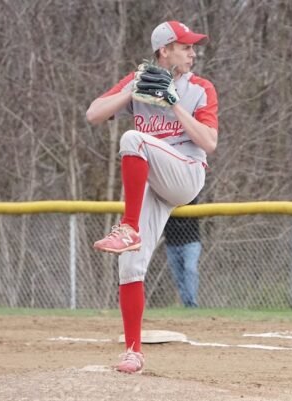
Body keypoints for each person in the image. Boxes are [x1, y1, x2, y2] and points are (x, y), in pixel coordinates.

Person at [85, 20, 218, 374]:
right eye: (185, 46)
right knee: (129, 264)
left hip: (187, 173)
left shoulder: (200, 88)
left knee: (133, 139)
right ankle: (133, 352)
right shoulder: (140, 81)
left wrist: (174, 105)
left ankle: (128, 226)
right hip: (155, 182)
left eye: (192, 46)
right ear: (164, 50)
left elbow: (209, 143)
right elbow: (93, 114)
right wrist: (132, 91)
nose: (193, 52)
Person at [163, 195, 202, 308]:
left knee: (190, 269)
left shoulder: (189, 193)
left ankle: (192, 304)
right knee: (178, 276)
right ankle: (187, 305)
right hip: (171, 243)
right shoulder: (163, 196)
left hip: (191, 241)